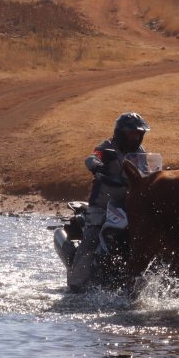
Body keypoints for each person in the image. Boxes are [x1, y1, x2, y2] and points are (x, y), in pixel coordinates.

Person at [67, 112, 150, 292]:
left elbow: (146, 173)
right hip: (103, 205)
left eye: (138, 133)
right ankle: (75, 284)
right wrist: (96, 165)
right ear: (120, 132)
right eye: (131, 133)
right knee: (91, 238)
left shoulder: (140, 152)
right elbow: (93, 157)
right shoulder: (106, 148)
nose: (135, 137)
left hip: (129, 205)